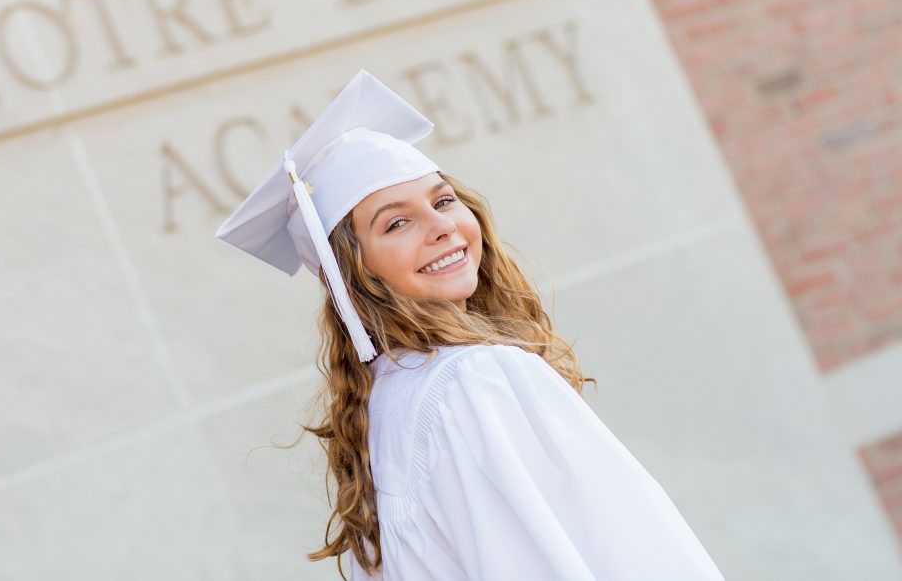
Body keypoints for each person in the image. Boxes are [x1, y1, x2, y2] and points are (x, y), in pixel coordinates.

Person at [214, 69, 726, 580]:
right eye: (397, 222)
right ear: (355, 272)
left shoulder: (388, 406)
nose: (441, 227)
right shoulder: (472, 379)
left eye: (442, 201)